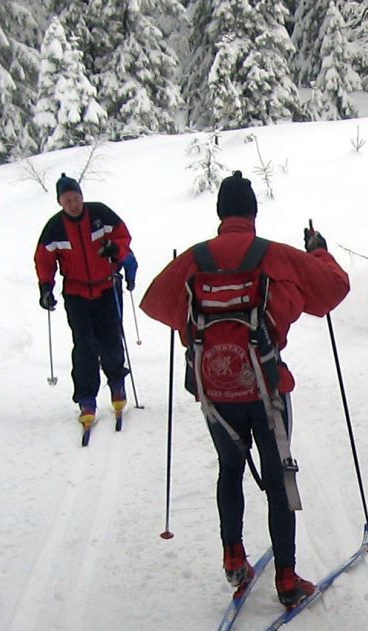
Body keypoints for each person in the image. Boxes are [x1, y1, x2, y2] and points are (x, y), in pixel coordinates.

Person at [140, 171, 350, 606]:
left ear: (220, 212)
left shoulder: (195, 259)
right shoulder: (273, 255)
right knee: (279, 477)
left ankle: (234, 559)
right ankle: (287, 579)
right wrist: (318, 251)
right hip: (266, 387)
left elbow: (155, 303)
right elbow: (332, 290)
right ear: (254, 212)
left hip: (215, 392)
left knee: (229, 468)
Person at [35, 173, 132, 426]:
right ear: (60, 202)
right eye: (67, 200)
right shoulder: (54, 228)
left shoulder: (100, 213)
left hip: (106, 287)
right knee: (85, 345)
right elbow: (44, 259)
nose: (72, 204)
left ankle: (117, 382)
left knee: (111, 339)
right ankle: (87, 398)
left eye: (75, 198)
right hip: (76, 293)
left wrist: (116, 250)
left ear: (81, 196)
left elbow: (122, 236)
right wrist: (46, 287)